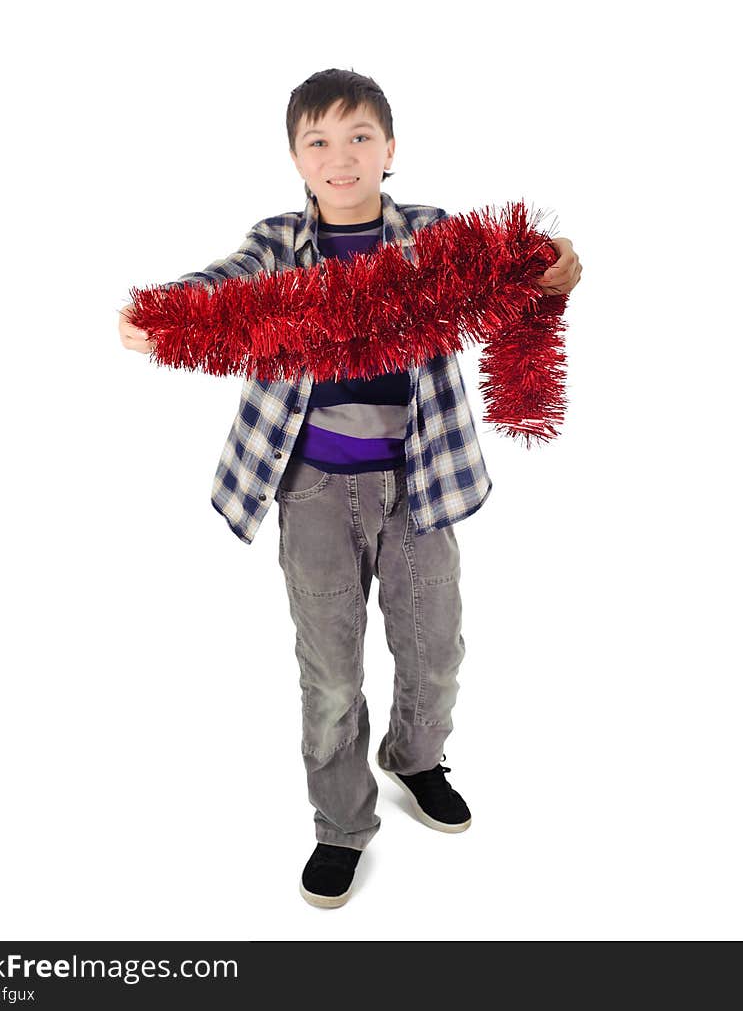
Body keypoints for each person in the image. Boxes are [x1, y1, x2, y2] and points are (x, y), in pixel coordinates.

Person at [119, 68, 582, 909]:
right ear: (297, 157)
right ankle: (340, 826)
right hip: (313, 493)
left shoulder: (433, 236)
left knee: (435, 654)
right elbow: (216, 284)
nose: (341, 157)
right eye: (319, 141)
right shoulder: (277, 244)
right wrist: (161, 314)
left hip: (421, 486)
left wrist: (552, 265)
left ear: (390, 149)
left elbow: (518, 265)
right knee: (329, 674)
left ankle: (414, 759)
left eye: (360, 137)